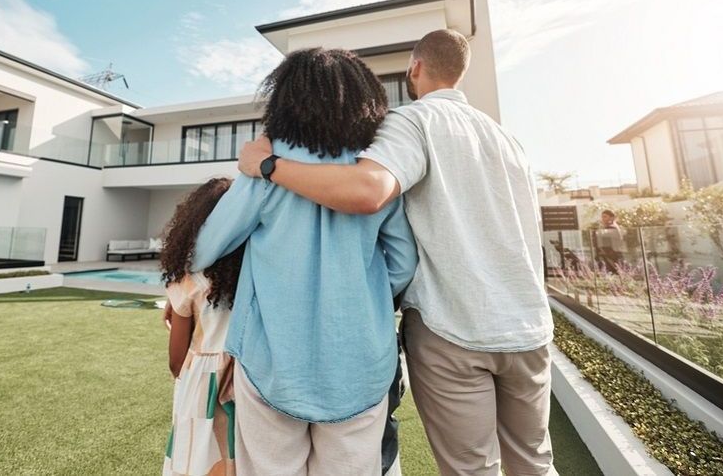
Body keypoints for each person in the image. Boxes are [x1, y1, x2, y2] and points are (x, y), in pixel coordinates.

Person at [237, 29, 556, 475]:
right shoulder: (507, 139)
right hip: (529, 328)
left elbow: (369, 190)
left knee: (474, 469)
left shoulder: (412, 120)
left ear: (415, 68)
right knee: (535, 463)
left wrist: (266, 165)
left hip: (456, 327)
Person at [190, 48, 418, 476]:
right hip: (361, 364)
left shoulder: (265, 170)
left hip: (271, 360)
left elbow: (204, 248)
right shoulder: (372, 170)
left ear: (284, 98)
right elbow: (403, 262)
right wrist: (362, 293)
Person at [161, 178, 244, 476]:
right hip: (248, 376)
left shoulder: (189, 279)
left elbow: (176, 361)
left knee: (195, 458)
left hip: (201, 380)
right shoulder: (256, 269)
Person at [595, 209, 625, 273]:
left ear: (611, 218)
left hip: (612, 255)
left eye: (605, 216)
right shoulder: (608, 227)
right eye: (602, 217)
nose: (602, 219)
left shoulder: (612, 228)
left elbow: (599, 234)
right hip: (608, 254)